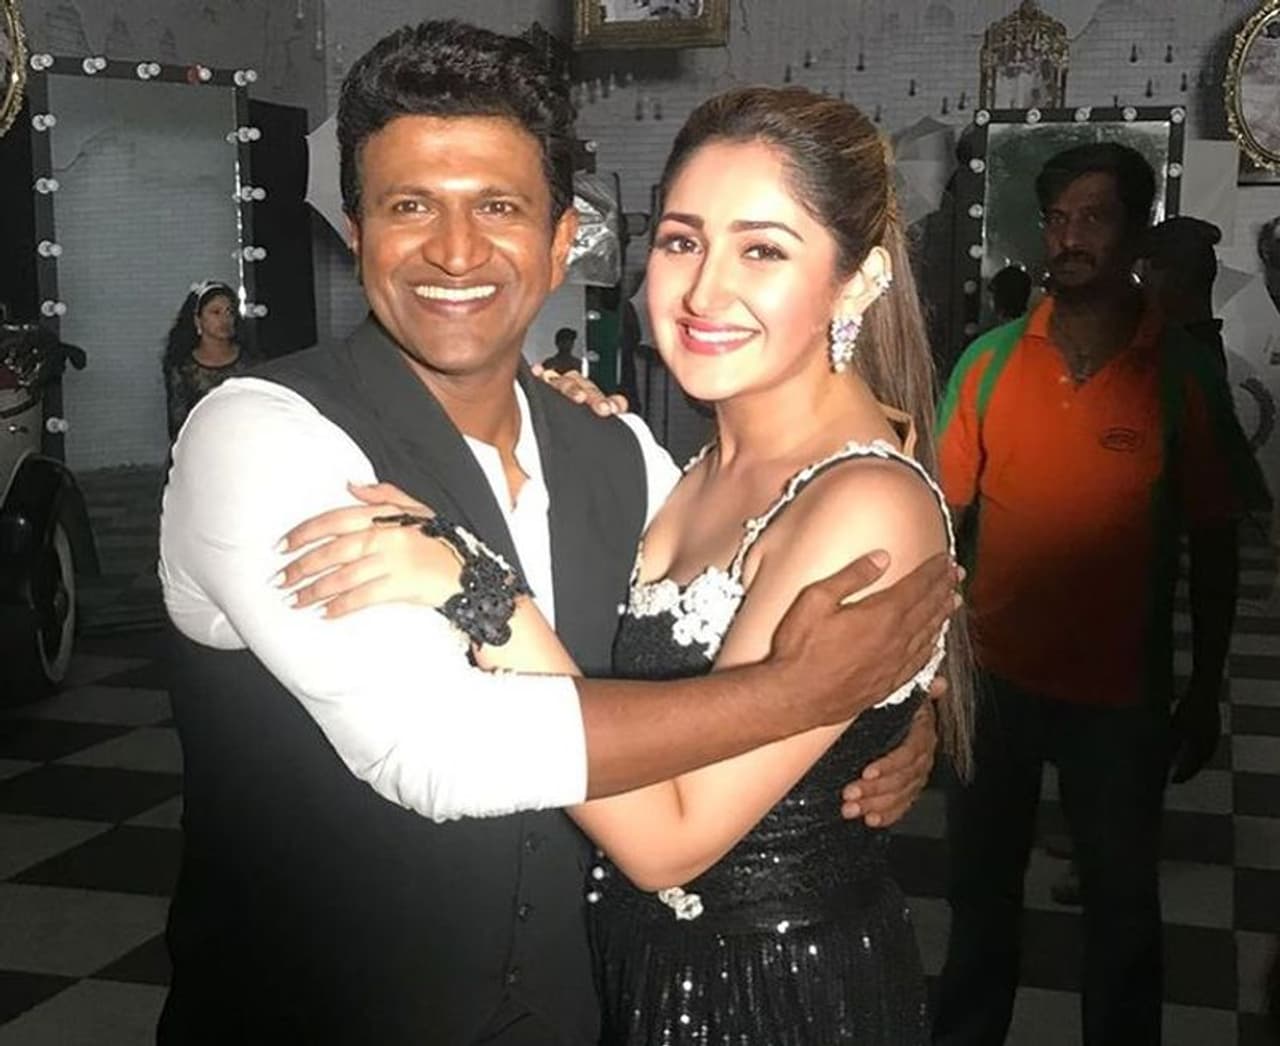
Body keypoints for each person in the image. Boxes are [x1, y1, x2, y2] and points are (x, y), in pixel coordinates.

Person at [157, 21, 958, 1045]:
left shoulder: (623, 457)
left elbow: (832, 591)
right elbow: (433, 747)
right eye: (410, 206)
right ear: (355, 233)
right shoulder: (259, 437)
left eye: (497, 207)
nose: (455, 251)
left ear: (559, 238)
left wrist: (883, 719)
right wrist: (805, 695)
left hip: (600, 1010)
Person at [933, 142, 1269, 1046]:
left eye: (1094, 217)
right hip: (994, 690)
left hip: (1120, 701)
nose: (1070, 237)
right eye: (1058, 219)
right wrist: (934, 671)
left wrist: (1203, 689)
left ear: (1135, 234)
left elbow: (1214, 546)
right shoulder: (990, 364)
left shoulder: (1180, 375)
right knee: (979, 904)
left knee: (1122, 915)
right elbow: (939, 527)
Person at [161, 280, 254, 440]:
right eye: (216, 312)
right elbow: (178, 426)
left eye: (230, 312)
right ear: (198, 320)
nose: (225, 319)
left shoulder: (250, 359)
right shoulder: (183, 368)